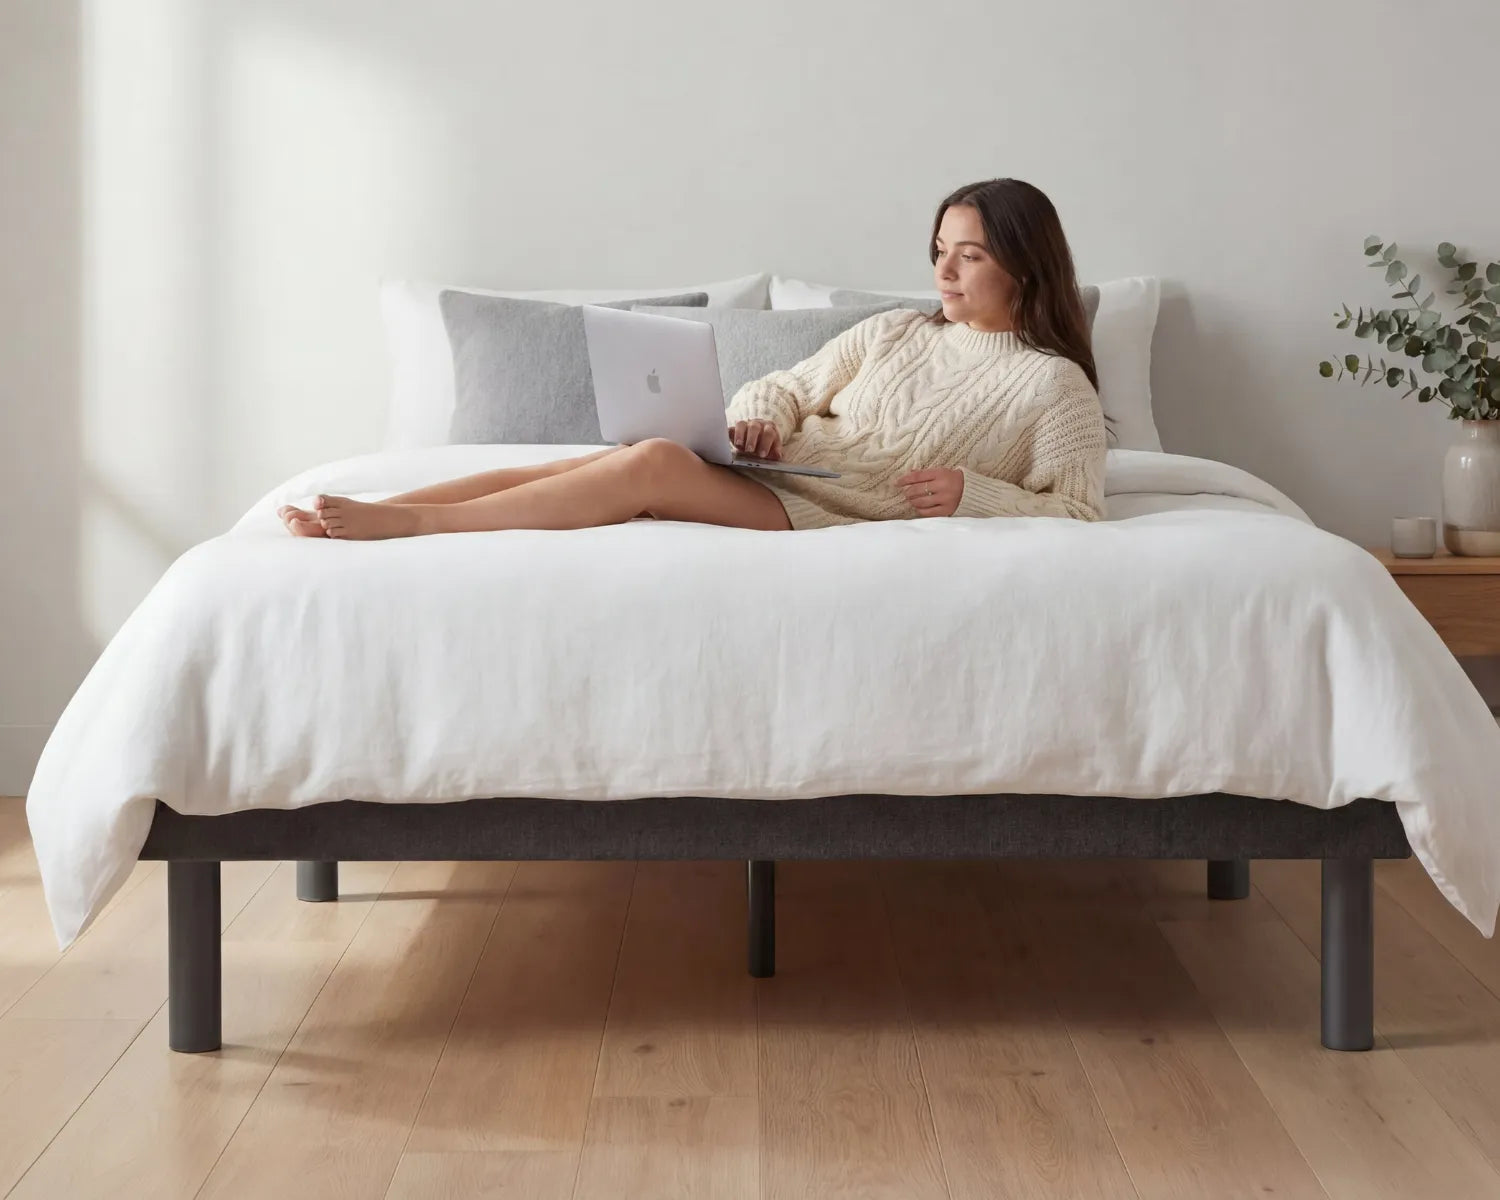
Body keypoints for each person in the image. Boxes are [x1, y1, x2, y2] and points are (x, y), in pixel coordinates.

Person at [281, 177, 1107, 539]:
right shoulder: (896, 330)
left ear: (1025, 265)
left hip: (835, 512)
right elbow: (788, 385)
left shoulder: (1052, 384)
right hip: (788, 471)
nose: (941, 270)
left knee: (651, 468)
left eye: (967, 256)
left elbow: (1079, 511)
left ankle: (413, 524)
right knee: (633, 456)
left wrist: (978, 494)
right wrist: (757, 419)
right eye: (938, 250)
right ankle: (394, 504)